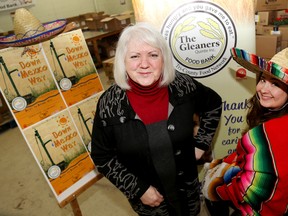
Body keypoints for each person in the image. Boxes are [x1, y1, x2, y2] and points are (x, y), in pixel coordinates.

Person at [90, 22, 222, 216]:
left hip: (188, 193)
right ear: (123, 61)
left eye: (153, 55)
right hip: (150, 205)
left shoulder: (182, 85)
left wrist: (201, 144)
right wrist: (137, 189)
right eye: (135, 56)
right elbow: (102, 157)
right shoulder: (110, 103)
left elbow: (213, 104)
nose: (144, 64)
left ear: (164, 59)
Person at [202, 47, 288, 216]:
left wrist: (214, 185)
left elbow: (249, 189)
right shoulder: (275, 119)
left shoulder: (269, 132)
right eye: (263, 79)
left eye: (275, 84)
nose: (263, 89)